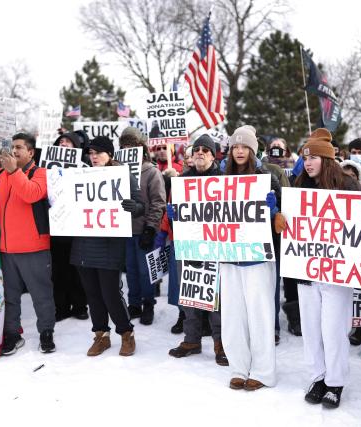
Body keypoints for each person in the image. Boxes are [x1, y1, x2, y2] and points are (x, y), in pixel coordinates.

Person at [294, 128, 361, 408]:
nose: (308, 163)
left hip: (337, 270)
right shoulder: (299, 185)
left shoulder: (347, 185)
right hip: (307, 268)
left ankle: (335, 382)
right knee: (311, 329)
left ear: (327, 159)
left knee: (333, 329)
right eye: (305, 158)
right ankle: (318, 376)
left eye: (313, 158)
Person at [0, 132, 56, 355]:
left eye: (19, 147)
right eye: (12, 146)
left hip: (34, 248)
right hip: (5, 249)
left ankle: (46, 332)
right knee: (8, 296)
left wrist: (14, 172)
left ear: (31, 152)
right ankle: (12, 333)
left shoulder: (41, 174)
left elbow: (32, 194)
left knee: (41, 295)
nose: (14, 150)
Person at [215, 125, 280, 391]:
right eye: (235, 147)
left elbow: (284, 220)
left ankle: (264, 371)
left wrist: (275, 210)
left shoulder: (267, 177)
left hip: (258, 257)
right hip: (229, 255)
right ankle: (238, 366)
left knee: (260, 315)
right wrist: (184, 214)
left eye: (244, 146)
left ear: (253, 150)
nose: (240, 151)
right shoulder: (219, 179)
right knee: (232, 315)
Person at [70, 135, 144, 357]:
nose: (93, 157)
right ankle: (101, 335)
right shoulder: (80, 175)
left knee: (110, 293)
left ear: (109, 154)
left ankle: (126, 333)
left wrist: (135, 207)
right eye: (90, 154)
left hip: (109, 243)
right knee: (92, 294)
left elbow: (141, 204)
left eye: (98, 153)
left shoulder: (122, 175)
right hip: (84, 243)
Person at [166, 134, 228, 366]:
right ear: (191, 156)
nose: (200, 152)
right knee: (190, 292)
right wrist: (173, 217)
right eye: (197, 149)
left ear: (213, 155)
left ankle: (220, 343)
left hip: (215, 246)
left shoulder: (224, 180)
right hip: (189, 244)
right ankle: (191, 339)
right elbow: (176, 220)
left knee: (216, 297)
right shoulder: (183, 181)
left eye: (206, 149)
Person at [120, 127, 166, 325]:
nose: (128, 148)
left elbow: (158, 202)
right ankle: (134, 303)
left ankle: (148, 303)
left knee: (145, 271)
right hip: (123, 230)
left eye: (132, 145)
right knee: (130, 270)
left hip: (144, 230)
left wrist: (151, 227)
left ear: (141, 147)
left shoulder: (152, 172)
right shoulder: (117, 170)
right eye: (124, 145)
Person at [49, 132, 88, 322]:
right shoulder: (48, 169)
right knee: (59, 269)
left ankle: (80, 306)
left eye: (68, 141)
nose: (63, 144)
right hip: (56, 225)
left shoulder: (85, 166)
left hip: (78, 225)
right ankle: (61, 307)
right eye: (60, 141)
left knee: (78, 269)